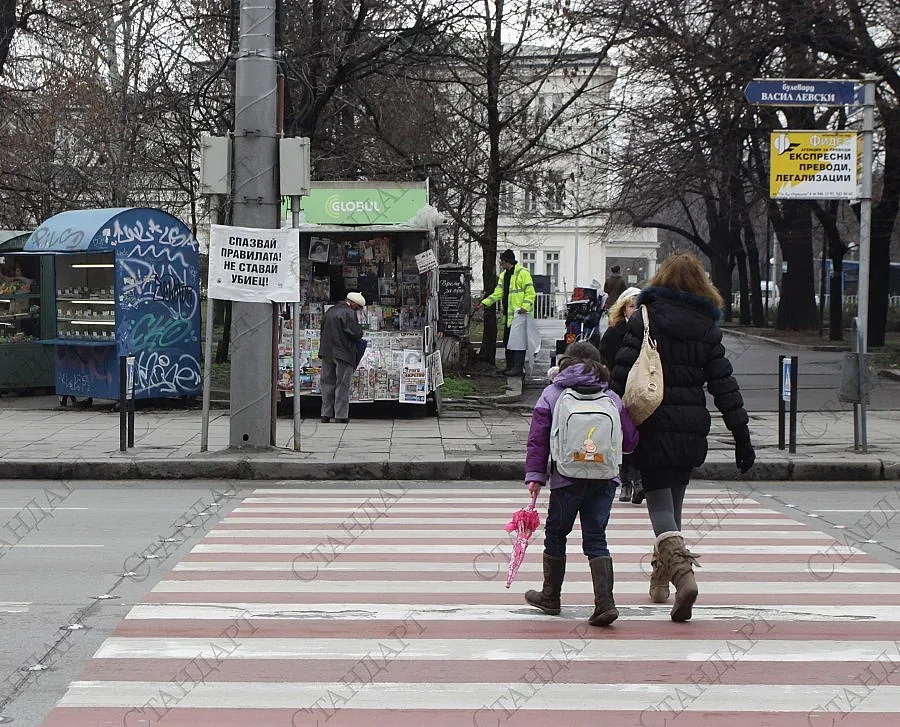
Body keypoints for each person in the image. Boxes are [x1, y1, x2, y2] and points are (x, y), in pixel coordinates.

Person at [611, 252, 755, 622]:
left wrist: (610, 423)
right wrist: (741, 435)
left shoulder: (645, 317)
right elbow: (724, 382)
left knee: (660, 509)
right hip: (691, 427)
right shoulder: (707, 325)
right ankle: (661, 583)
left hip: (653, 422)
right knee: (673, 506)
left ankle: (684, 578)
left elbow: (621, 374)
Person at [523, 341, 639, 627]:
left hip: (566, 478)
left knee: (557, 534)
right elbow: (630, 442)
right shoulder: (610, 395)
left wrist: (536, 476)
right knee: (596, 538)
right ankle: (605, 603)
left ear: (566, 362)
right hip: (604, 479)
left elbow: (538, 440)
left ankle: (551, 596)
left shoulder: (552, 394)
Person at [599, 286, 642, 504]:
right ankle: (626, 482)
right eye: (632, 306)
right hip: (619, 390)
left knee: (641, 437)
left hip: (642, 391)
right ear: (623, 309)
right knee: (623, 437)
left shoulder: (649, 332)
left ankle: (640, 481)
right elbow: (604, 360)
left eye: (639, 307)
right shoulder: (614, 333)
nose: (635, 311)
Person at [474, 249, 535, 376]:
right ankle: (510, 366)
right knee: (508, 341)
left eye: (502, 262)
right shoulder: (504, 275)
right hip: (509, 315)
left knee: (518, 342)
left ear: (508, 261)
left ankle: (517, 367)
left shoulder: (523, 273)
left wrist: (525, 307)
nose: (501, 265)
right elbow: (498, 293)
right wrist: (484, 303)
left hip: (520, 315)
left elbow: (530, 293)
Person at [319, 292, 366, 424]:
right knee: (342, 384)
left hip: (326, 352)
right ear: (353, 303)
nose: (359, 310)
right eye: (359, 307)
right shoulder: (348, 313)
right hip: (343, 353)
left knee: (327, 384)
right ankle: (340, 415)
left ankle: (325, 414)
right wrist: (360, 331)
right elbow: (355, 333)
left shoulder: (330, 311)